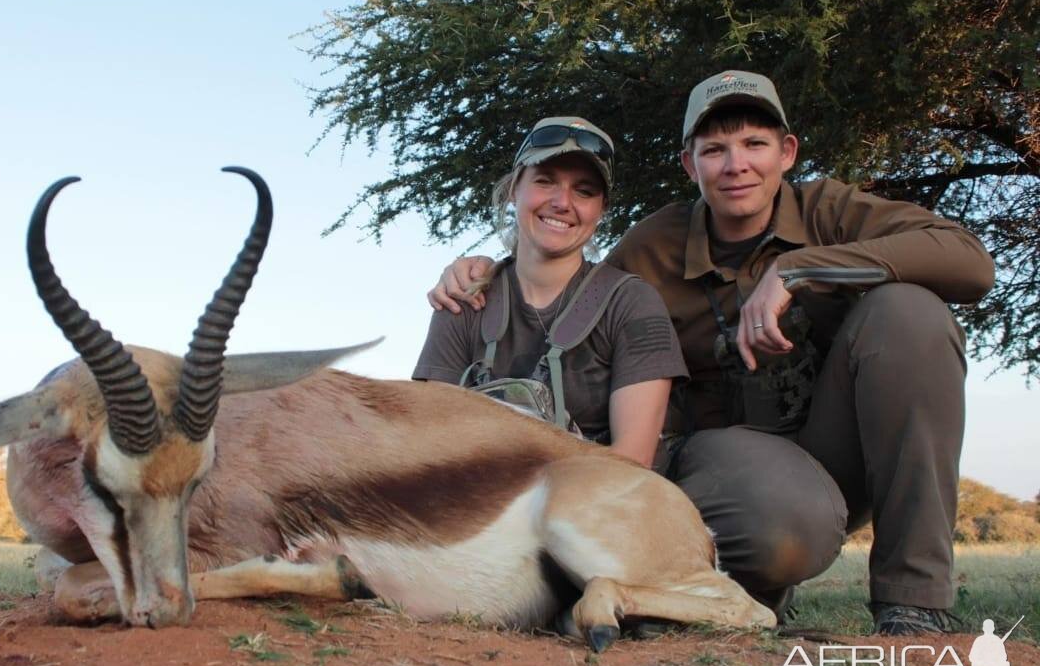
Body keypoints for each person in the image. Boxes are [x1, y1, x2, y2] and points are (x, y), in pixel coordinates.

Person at [428, 73, 995, 635]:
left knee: (910, 313)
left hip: (836, 454)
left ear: (787, 151)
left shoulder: (830, 210)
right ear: (688, 164)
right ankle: (738, 577)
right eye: (714, 149)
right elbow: (567, 280)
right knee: (768, 515)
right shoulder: (652, 247)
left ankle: (914, 600)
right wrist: (483, 270)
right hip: (725, 478)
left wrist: (798, 269)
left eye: (754, 143)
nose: (735, 165)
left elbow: (969, 263)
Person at [413, 116, 687, 465]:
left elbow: (631, 462)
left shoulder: (632, 302)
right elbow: (431, 442)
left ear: (601, 210)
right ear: (515, 189)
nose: (562, 202)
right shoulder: (463, 299)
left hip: (600, 502)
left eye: (584, 191)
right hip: (481, 499)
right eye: (545, 181)